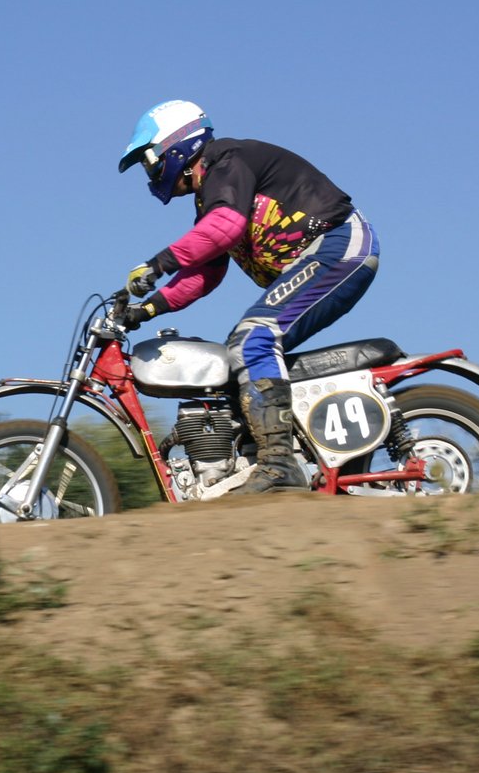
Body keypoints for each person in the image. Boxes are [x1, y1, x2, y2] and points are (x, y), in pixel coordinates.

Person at [116, 100, 380, 495]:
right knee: (236, 357)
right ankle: (266, 453)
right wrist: (147, 309)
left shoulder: (226, 161)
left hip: (337, 245)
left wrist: (160, 262)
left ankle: (279, 463)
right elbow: (205, 272)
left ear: (177, 145)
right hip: (318, 258)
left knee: (253, 339)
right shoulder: (211, 193)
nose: (151, 172)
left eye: (150, 160)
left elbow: (224, 227)